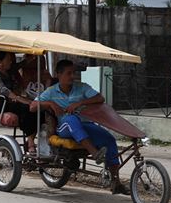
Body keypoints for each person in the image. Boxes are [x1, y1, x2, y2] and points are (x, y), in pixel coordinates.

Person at [30, 59, 129, 195]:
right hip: (64, 128)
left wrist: (80, 102)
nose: (72, 76)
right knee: (72, 120)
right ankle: (94, 153)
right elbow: (32, 107)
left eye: (73, 73)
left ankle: (116, 182)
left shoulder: (82, 87)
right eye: (68, 73)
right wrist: (51, 104)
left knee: (109, 140)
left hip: (85, 124)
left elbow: (100, 98)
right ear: (59, 74)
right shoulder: (51, 91)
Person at [0, 51, 37, 154]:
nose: (10, 61)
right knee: (26, 108)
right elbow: (3, 90)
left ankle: (30, 140)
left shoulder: (10, 71)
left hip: (13, 102)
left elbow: (20, 65)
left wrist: (30, 58)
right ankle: (30, 144)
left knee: (37, 109)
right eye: (8, 59)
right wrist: (18, 98)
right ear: (0, 62)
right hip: (2, 104)